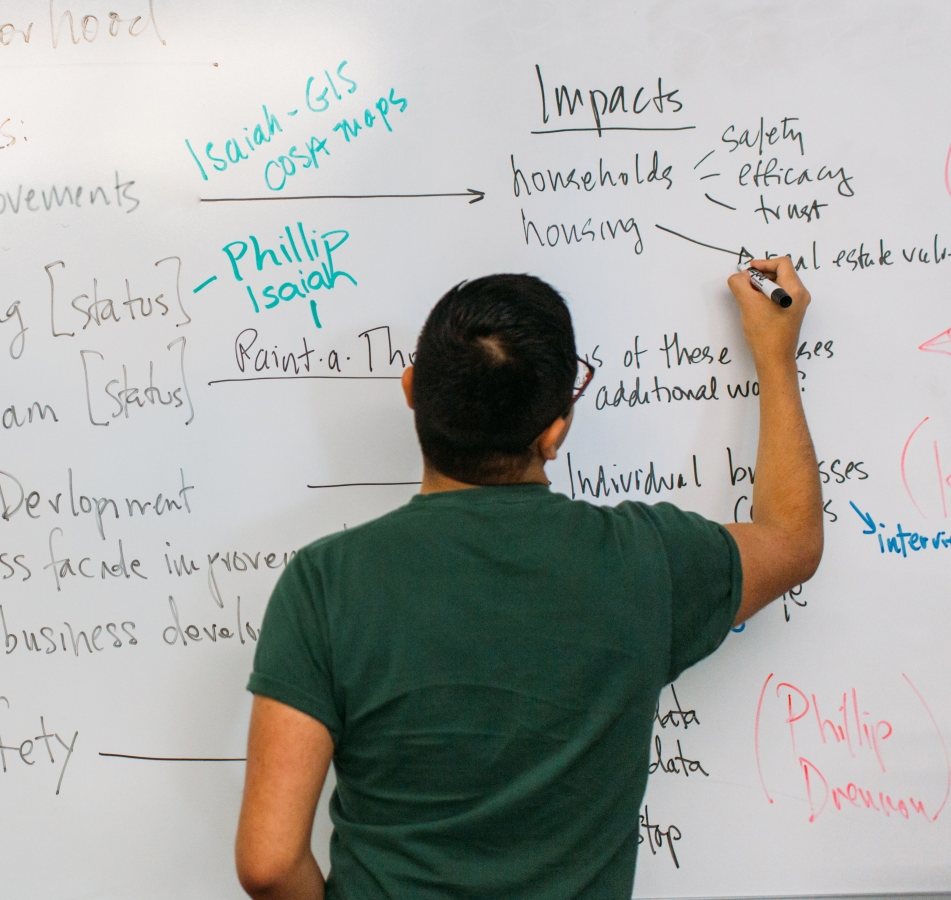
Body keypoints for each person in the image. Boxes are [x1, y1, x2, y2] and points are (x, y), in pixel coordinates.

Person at [234, 257, 822, 900]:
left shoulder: (324, 584)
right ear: (554, 431)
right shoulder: (648, 561)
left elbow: (268, 864)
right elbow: (792, 540)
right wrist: (775, 355)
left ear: (410, 393)